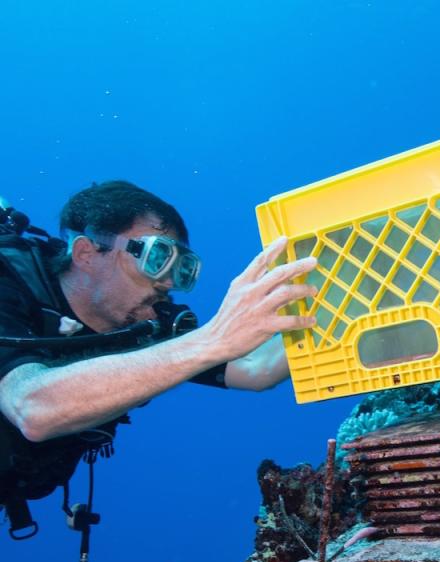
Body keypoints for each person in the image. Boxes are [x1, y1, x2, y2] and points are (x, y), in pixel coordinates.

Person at [0, 180, 318, 535]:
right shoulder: (9, 285)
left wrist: (338, 301)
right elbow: (32, 408)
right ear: (87, 253)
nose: (167, 282)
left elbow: (259, 369)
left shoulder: (147, 322)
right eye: (157, 257)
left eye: (182, 269)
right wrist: (212, 340)